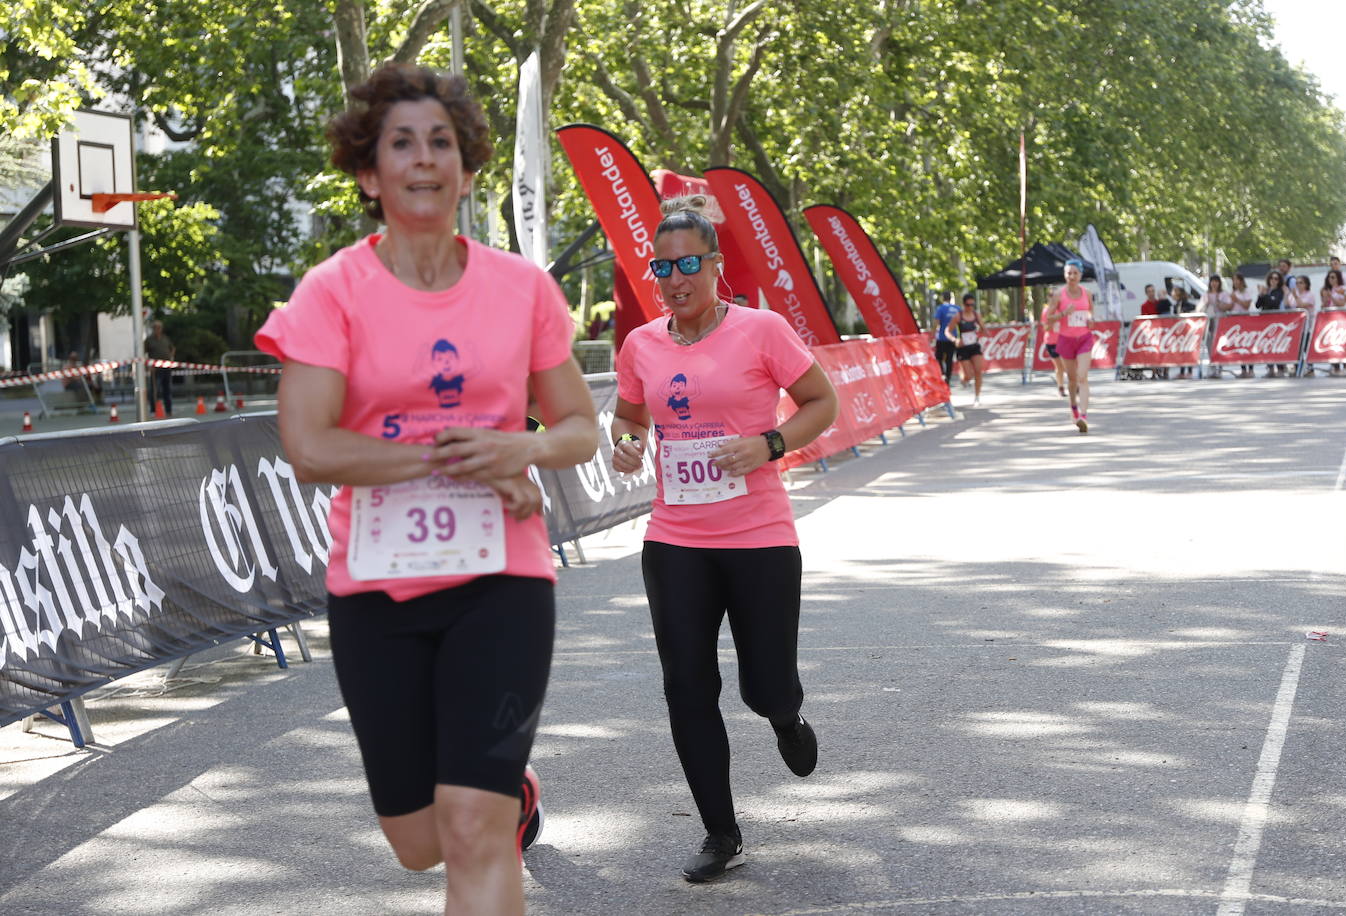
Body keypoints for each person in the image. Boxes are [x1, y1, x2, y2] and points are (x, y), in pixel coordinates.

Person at [253, 62, 598, 914]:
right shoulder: (329, 293)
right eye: (400, 143)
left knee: (471, 834)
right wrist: (455, 457)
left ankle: (491, 801)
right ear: (369, 173)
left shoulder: (522, 290)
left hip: (503, 579)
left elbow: (578, 428)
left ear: (468, 166)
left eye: (441, 142)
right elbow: (309, 445)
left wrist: (516, 446)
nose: (423, 159)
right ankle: (513, 795)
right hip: (376, 585)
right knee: (418, 843)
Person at [609, 194, 838, 884]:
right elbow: (628, 419)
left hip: (760, 536)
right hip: (675, 538)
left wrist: (768, 444)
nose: (675, 280)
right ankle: (720, 831)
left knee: (764, 686)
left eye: (687, 265)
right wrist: (624, 445)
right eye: (662, 268)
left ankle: (786, 717)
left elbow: (822, 403)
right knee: (686, 685)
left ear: (714, 266)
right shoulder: (640, 344)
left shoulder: (761, 330)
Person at [1049, 258, 1095, 432]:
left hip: (1084, 338)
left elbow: (1090, 310)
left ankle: (1083, 415)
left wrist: (1090, 319)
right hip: (1066, 339)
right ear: (1065, 275)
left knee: (1082, 376)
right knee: (1072, 378)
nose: (1072, 276)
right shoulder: (1059, 295)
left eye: (1075, 273)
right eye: (1069, 273)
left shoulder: (1087, 293)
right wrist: (1063, 313)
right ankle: (1073, 407)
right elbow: (1048, 319)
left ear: (1080, 275)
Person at [946, 293, 987, 405]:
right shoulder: (958, 316)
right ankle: (964, 379)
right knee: (969, 375)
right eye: (968, 305)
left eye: (972, 304)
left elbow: (983, 328)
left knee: (978, 371)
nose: (970, 307)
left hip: (974, 345)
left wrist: (982, 331)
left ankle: (977, 397)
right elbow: (947, 331)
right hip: (963, 348)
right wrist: (955, 340)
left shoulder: (976, 315)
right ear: (964, 305)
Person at [1255, 270, 1286, 376]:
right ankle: (1270, 368)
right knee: (1267, 344)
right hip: (1265, 322)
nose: (1273, 280)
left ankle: (1280, 368)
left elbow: (1275, 303)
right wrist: (1261, 294)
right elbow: (1257, 305)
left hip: (1275, 322)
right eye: (1272, 278)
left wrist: (1265, 295)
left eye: (1276, 279)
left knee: (1277, 344)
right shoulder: (1266, 290)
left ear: (1279, 281)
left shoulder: (1279, 291)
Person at [1226, 273, 1256, 378]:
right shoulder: (1234, 293)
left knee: (1248, 345)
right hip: (1236, 321)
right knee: (1239, 345)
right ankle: (1243, 369)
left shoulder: (1247, 292)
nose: (1235, 282)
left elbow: (1247, 305)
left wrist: (1236, 299)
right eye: (1233, 280)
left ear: (1241, 281)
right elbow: (1230, 307)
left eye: (1236, 280)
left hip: (1246, 320)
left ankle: (1251, 369)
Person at [144, 319, 175, 416]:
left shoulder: (165, 338)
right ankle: (154, 410)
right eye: (155, 327)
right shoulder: (149, 340)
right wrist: (148, 365)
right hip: (156, 368)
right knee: (155, 389)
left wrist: (171, 358)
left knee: (167, 389)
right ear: (153, 329)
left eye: (159, 327)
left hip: (166, 367)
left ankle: (168, 410)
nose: (157, 329)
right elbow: (144, 353)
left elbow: (172, 348)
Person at [1322, 268, 1346, 375]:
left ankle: (1345, 366)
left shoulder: (1343, 288)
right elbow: (1325, 305)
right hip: (1331, 321)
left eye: (1333, 277)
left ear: (1338, 278)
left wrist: (1331, 296)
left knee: (1343, 344)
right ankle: (1335, 367)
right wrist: (1325, 298)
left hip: (1342, 320)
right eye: (1329, 277)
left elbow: (1342, 303)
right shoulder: (1329, 290)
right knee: (1333, 344)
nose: (1330, 279)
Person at [1039, 297, 1067, 396]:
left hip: (1064, 340)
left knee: (1067, 365)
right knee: (1059, 366)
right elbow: (1045, 328)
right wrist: (1052, 321)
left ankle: (1074, 385)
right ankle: (1061, 388)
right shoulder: (1046, 311)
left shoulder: (1063, 309)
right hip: (1051, 342)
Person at [933, 291, 961, 383]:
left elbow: (936, 322)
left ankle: (943, 374)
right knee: (949, 359)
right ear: (951, 298)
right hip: (953, 337)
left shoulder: (941, 308)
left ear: (942, 298)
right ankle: (947, 378)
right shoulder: (957, 309)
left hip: (942, 337)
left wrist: (932, 334)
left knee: (938, 358)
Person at [1202, 275, 1227, 378]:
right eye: (1212, 281)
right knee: (1209, 345)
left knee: (1218, 345)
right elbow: (1200, 306)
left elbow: (1227, 306)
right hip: (1209, 322)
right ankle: (1212, 367)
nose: (1214, 283)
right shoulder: (1206, 294)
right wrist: (1205, 304)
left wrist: (1219, 303)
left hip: (1219, 321)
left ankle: (1218, 367)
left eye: (1216, 281)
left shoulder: (1223, 294)